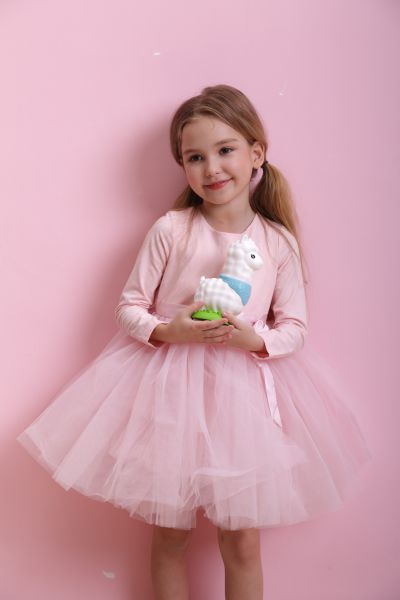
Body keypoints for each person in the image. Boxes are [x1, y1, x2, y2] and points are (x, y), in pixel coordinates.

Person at [16, 84, 372, 600]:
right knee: (171, 533)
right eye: (195, 157)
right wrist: (170, 330)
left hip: (242, 406)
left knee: (242, 541)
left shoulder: (276, 242)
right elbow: (129, 307)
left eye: (226, 150)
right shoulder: (172, 230)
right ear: (182, 165)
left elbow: (294, 328)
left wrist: (254, 340)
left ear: (256, 153)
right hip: (170, 399)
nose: (212, 168)